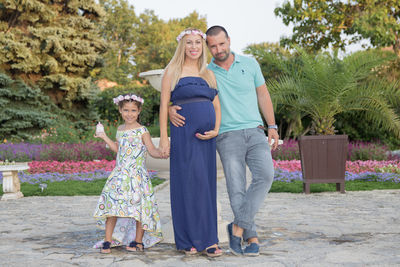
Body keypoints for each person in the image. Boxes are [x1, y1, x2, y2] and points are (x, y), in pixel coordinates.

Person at [169, 25, 279, 256]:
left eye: (222, 44)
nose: (218, 49)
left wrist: (272, 126)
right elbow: (186, 92)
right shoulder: (206, 71)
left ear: (229, 40)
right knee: (236, 189)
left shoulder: (249, 64)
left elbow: (263, 94)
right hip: (227, 135)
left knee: (266, 176)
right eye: (213, 46)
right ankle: (252, 237)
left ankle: (237, 227)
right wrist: (170, 108)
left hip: (256, 130)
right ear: (208, 47)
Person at [159, 28, 223, 257]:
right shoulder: (172, 71)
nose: (194, 46)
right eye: (189, 43)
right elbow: (163, 105)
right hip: (183, 135)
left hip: (206, 139)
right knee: (186, 183)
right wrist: (164, 138)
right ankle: (187, 240)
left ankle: (209, 238)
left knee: (205, 185)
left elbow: (216, 106)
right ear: (182, 46)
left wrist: (215, 129)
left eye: (198, 42)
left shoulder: (208, 73)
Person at [93, 94, 163, 254]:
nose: (129, 114)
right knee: (112, 206)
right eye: (126, 110)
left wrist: (161, 153)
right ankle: (107, 240)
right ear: (120, 110)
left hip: (137, 176)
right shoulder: (120, 130)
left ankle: (138, 241)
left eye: (133, 110)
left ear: (139, 111)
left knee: (140, 208)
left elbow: (151, 149)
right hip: (119, 174)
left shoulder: (142, 131)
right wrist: (104, 136)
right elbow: (118, 149)